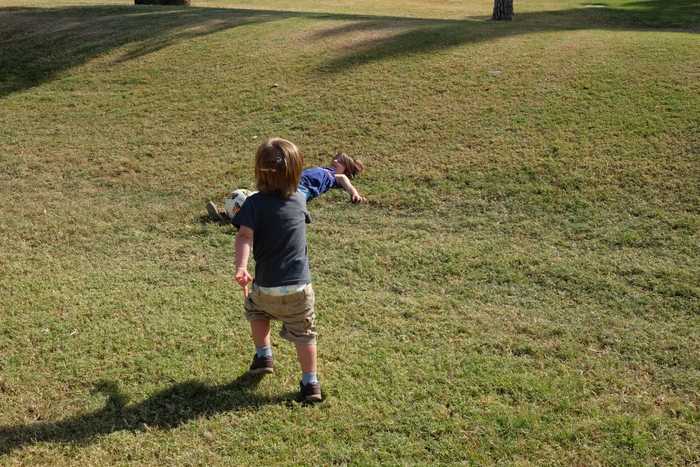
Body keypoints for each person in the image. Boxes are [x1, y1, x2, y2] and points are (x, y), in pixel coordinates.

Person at [231, 137, 322, 402]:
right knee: (305, 334)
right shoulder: (300, 200)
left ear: (259, 172)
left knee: (255, 310)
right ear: (295, 171)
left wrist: (241, 266)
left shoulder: (253, 204)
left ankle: (263, 355)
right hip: (299, 288)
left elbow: (244, 236)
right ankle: (310, 384)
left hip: (266, 287)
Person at [206, 152, 365, 222]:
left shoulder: (335, 176)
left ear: (346, 168)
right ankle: (227, 212)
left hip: (301, 190)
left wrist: (354, 193)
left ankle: (244, 220)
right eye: (335, 158)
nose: (334, 161)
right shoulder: (324, 169)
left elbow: (345, 181)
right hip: (289, 181)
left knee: (275, 208)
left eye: (339, 161)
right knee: (260, 196)